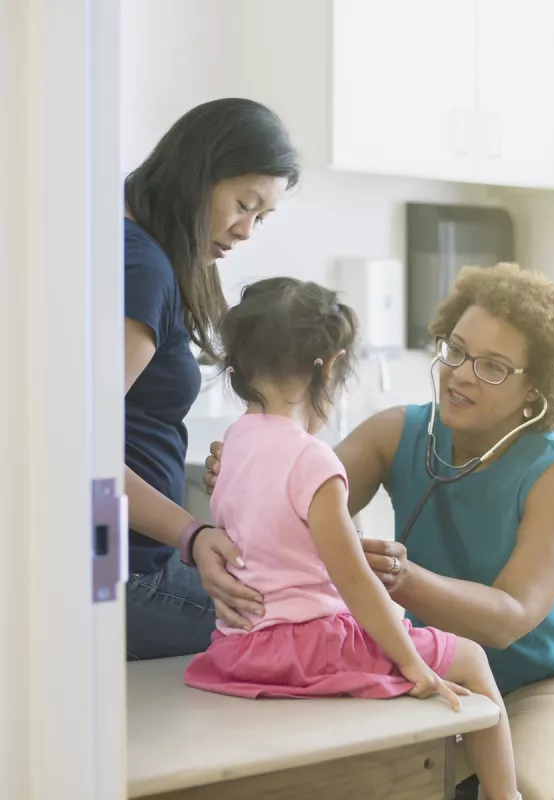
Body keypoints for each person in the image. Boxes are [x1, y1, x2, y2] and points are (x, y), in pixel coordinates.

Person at [202, 263, 554, 800]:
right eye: (455, 351)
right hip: (432, 671)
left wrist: (399, 578)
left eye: (494, 367)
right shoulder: (398, 432)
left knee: (524, 788)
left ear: (537, 389)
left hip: (552, 683)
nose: (462, 374)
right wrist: (249, 472)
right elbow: (298, 500)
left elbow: (509, 620)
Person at [184, 277, 521, 800]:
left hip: (239, 647)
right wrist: (412, 664)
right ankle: (507, 797)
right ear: (330, 365)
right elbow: (357, 583)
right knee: (472, 659)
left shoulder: (234, 444)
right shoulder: (311, 459)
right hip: (305, 647)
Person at [124, 97, 300, 661]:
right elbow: (79, 447)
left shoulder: (131, 248)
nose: (246, 231)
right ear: (199, 173)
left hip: (124, 563)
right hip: (124, 577)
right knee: (326, 619)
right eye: (244, 205)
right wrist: (193, 535)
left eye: (261, 218)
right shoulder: (141, 267)